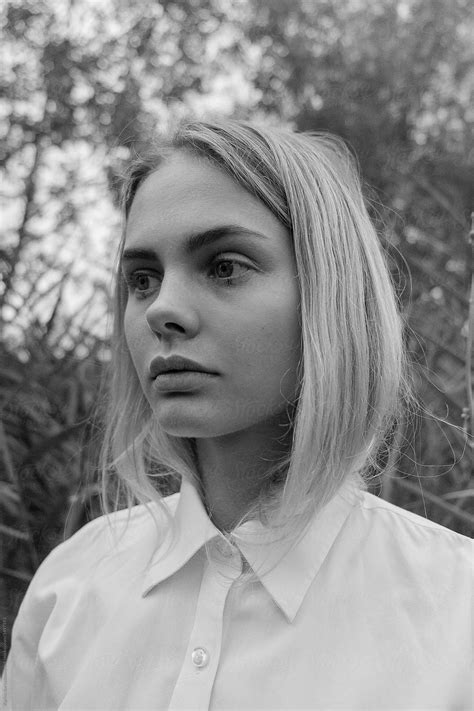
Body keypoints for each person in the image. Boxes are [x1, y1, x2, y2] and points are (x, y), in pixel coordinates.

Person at [1, 117, 472, 710]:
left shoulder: (457, 614)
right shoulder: (69, 589)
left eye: (224, 267)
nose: (161, 310)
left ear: (330, 293)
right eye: (142, 279)